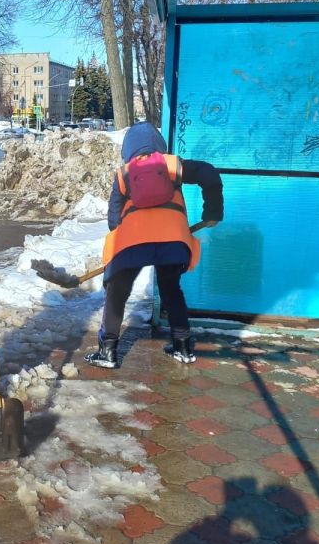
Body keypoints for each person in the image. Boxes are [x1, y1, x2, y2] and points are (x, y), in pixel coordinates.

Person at [85, 123, 223, 368]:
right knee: (171, 290)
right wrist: (213, 211)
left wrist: (123, 249)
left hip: (132, 242)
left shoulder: (125, 174)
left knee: (117, 293)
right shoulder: (172, 165)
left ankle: (107, 351)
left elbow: (113, 219)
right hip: (173, 240)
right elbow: (209, 173)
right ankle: (182, 346)